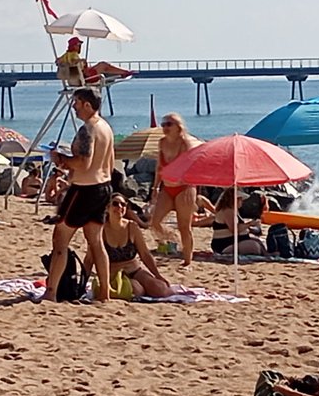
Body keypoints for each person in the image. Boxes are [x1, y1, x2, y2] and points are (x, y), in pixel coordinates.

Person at [46, 87, 115, 303]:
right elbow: (110, 163)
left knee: (60, 238)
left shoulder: (88, 129)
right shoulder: (106, 127)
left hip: (85, 189)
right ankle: (105, 291)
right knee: (95, 241)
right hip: (103, 187)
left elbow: (84, 162)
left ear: (86, 104)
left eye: (76, 102)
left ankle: (51, 292)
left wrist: (62, 160)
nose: (73, 107)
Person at [150, 113, 201, 267]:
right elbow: (159, 167)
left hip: (184, 188)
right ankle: (173, 240)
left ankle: (187, 260)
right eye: (163, 124)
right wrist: (155, 187)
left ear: (178, 126)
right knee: (155, 222)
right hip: (167, 187)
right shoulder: (162, 143)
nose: (165, 127)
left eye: (169, 124)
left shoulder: (185, 144)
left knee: (184, 226)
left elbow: (192, 167)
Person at [101, 193, 172, 298]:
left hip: (134, 270)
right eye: (115, 204)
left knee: (160, 289)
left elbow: (145, 254)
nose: (120, 207)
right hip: (114, 274)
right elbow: (91, 257)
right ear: (107, 208)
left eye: (123, 204)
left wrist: (157, 275)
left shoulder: (132, 227)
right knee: (136, 290)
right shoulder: (102, 230)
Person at [198, 189, 267, 256]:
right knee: (255, 247)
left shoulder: (233, 210)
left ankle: (267, 254)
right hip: (225, 244)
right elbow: (234, 229)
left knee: (259, 242)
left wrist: (249, 227)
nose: (242, 202)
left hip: (231, 241)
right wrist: (249, 224)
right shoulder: (228, 211)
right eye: (240, 199)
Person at [56, 37, 134, 87]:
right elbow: (73, 62)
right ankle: (123, 72)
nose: (80, 46)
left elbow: (58, 61)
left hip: (76, 79)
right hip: (86, 78)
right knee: (103, 65)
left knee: (102, 66)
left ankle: (122, 72)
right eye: (78, 44)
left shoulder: (66, 55)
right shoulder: (73, 55)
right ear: (74, 46)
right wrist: (81, 61)